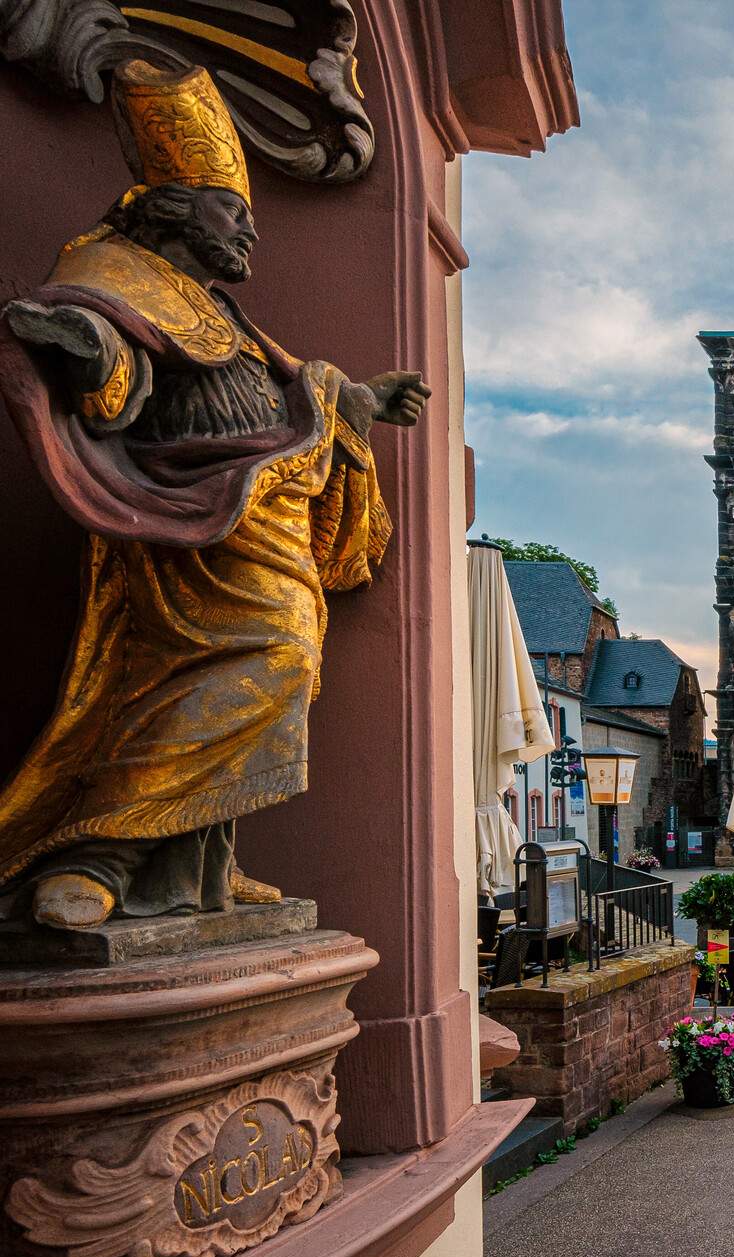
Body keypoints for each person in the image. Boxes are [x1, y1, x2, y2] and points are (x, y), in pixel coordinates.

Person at [0, 62, 429, 929]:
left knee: (285, 664)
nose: (251, 235)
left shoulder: (217, 306)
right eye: (236, 210)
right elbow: (113, 369)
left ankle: (194, 872)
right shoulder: (114, 273)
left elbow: (294, 384)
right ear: (173, 205)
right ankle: (96, 855)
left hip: (257, 506)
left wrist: (362, 400)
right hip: (185, 515)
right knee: (260, 658)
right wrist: (83, 346)